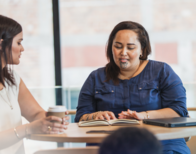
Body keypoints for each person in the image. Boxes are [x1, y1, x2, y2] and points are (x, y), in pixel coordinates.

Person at [75, 21, 190, 154]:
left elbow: (179, 110)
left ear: (142, 50)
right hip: (110, 147)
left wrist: (143, 116)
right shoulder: (95, 77)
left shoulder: (162, 71)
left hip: (162, 144)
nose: (123, 53)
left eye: (130, 48)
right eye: (118, 46)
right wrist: (96, 115)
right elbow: (80, 117)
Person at [0, 15, 69, 154]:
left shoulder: (13, 79)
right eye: (19, 42)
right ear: (1, 44)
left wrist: (52, 120)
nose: (22, 49)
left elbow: (35, 114)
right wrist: (28, 129)